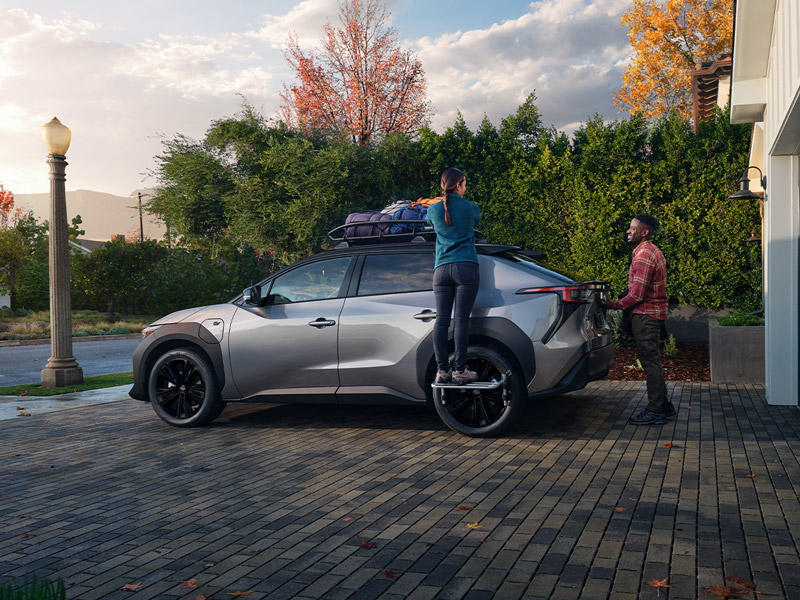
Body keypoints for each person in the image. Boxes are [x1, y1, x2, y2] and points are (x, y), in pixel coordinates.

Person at [604, 214, 675, 425]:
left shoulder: (644, 254)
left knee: (650, 362)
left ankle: (655, 411)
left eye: (632, 228)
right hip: (652, 314)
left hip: (646, 316)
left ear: (645, 232)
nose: (628, 231)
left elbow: (637, 295)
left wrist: (613, 305)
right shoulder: (650, 251)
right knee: (653, 362)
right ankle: (664, 405)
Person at [426, 168, 482, 385]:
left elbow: (431, 221)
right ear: (459, 185)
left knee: (441, 320)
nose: (465, 187)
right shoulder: (470, 208)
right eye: (464, 183)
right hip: (466, 267)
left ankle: (442, 371)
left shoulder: (433, 210)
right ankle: (460, 370)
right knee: (460, 320)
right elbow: (475, 220)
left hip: (441, 270)